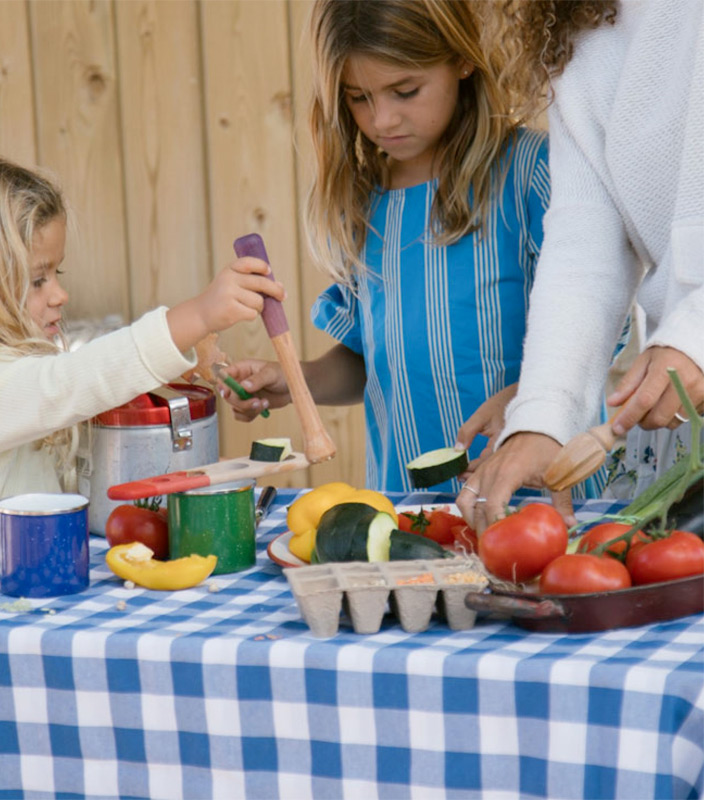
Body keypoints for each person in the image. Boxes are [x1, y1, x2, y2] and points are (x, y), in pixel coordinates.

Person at [0, 148, 285, 593]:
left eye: (57, 272)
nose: (60, 294)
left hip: (4, 605)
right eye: (38, 279)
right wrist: (196, 316)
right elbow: (76, 381)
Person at [222, 0, 563, 494]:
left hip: (540, 502)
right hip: (407, 504)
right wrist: (297, 380)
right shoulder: (363, 203)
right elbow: (374, 359)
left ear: (462, 60)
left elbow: (597, 322)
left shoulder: (532, 172)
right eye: (359, 97)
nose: (382, 120)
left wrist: (533, 400)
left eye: (405, 91)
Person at [456, 0, 704, 532]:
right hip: (682, 412)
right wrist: (543, 415)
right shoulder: (579, 24)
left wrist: (694, 335)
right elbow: (585, 243)